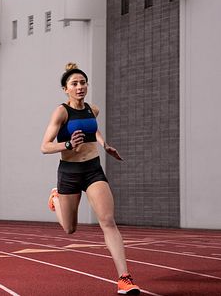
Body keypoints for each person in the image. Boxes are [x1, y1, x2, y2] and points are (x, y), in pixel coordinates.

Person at [40, 62, 141, 295]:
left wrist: (104, 144)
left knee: (108, 221)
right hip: (69, 172)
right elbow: (44, 146)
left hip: (93, 169)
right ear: (66, 88)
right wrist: (67, 144)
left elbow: (92, 129)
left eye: (83, 83)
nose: (80, 87)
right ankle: (55, 199)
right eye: (74, 84)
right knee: (70, 229)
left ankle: (124, 278)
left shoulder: (92, 109)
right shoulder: (61, 112)